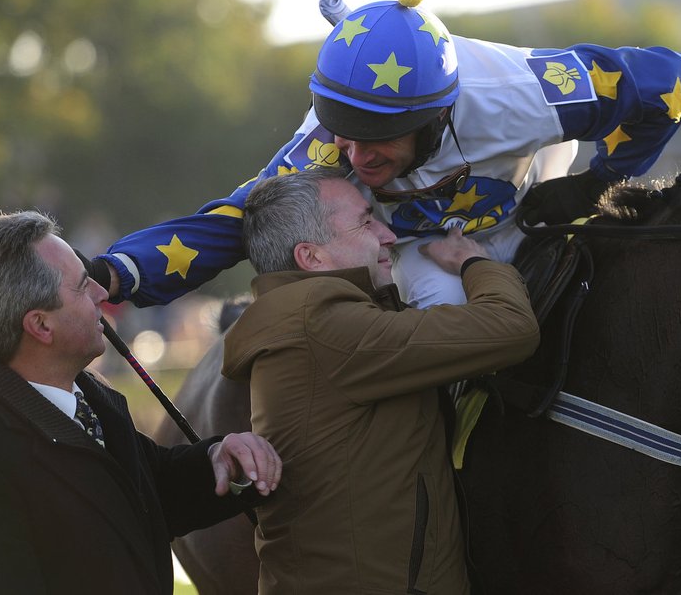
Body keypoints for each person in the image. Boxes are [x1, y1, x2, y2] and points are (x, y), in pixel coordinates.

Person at [87, 0, 681, 310]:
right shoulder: (326, 146)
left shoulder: (523, 92)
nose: (355, 159)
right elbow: (234, 223)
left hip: (534, 197)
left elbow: (672, 79)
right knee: (446, 316)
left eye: (378, 142)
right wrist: (119, 272)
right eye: (343, 138)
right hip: (418, 249)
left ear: (436, 120)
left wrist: (597, 181)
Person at [0, 210, 281, 595]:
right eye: (83, 286)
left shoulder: (88, 402)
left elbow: (141, 494)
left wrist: (218, 459)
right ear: (41, 325)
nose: (103, 293)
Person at [221, 167, 539, 594]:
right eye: (366, 221)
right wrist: (475, 261)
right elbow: (511, 327)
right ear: (311, 257)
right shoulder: (325, 326)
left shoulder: (318, 321)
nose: (388, 235)